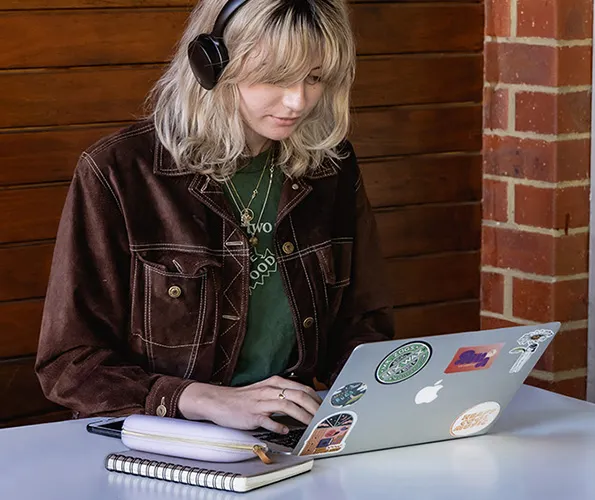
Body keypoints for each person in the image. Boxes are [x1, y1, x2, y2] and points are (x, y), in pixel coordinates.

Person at [34, 0, 394, 435]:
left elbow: (361, 325)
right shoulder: (119, 173)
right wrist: (196, 398)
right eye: (276, 77)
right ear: (211, 63)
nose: (298, 100)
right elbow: (70, 363)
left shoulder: (330, 169)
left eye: (315, 78)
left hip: (291, 435)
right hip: (166, 441)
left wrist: (368, 400)